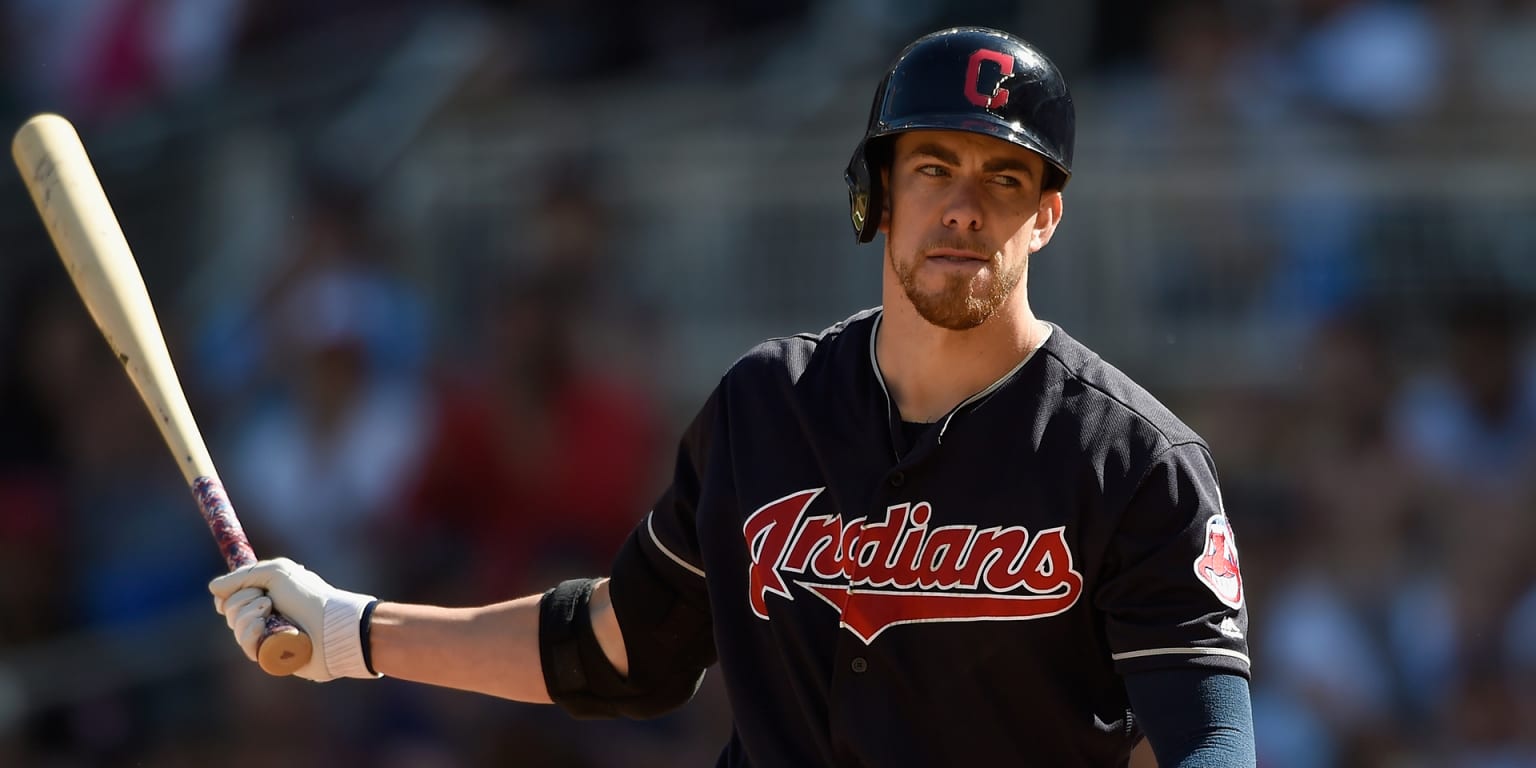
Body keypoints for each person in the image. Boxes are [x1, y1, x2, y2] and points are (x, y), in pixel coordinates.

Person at [209, 26, 1257, 767]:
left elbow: (1210, 742)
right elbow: (620, 647)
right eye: (933, 168)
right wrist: (349, 630)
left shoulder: (1137, 464)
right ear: (877, 198)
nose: (965, 208)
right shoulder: (767, 406)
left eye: (1005, 179)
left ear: (1049, 218)